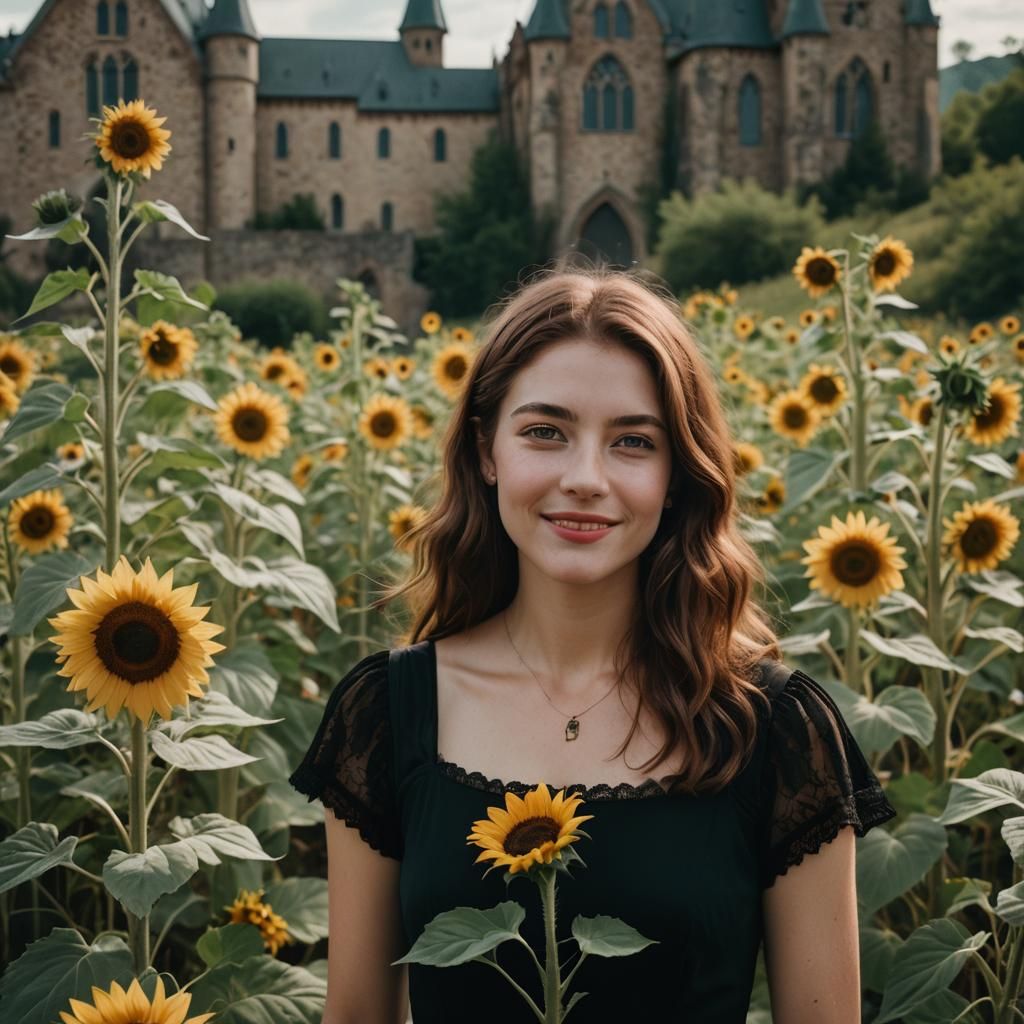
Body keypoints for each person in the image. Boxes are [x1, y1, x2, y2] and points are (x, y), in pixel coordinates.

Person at [289, 265, 897, 1024]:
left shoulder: (772, 730)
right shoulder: (387, 713)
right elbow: (357, 1016)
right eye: (546, 432)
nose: (585, 478)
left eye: (633, 442)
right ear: (486, 451)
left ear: (677, 473)